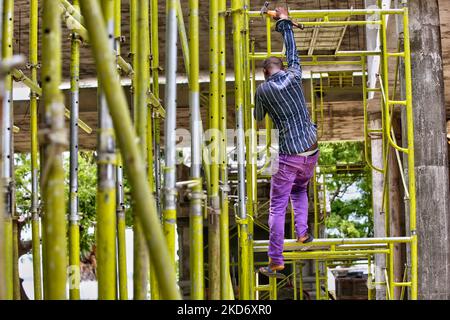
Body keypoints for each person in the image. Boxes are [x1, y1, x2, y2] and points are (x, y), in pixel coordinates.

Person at [254, 7, 319, 277]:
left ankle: (276, 261)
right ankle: (302, 234)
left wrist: (263, 100)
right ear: (281, 67)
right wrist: (283, 22)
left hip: (289, 154)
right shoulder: (294, 75)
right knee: (299, 191)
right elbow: (292, 49)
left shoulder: (263, 89)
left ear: (265, 74)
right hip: (311, 150)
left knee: (277, 207)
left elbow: (258, 117)